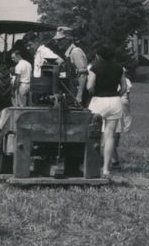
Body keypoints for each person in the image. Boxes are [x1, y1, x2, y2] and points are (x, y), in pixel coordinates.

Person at [87, 46, 127, 178]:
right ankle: (106, 169)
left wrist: (93, 93)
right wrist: (116, 95)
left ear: (98, 56)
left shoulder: (94, 67)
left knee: (93, 134)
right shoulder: (119, 68)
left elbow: (90, 86)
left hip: (98, 101)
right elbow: (124, 87)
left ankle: (92, 165)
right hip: (115, 101)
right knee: (110, 136)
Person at [54, 27, 89, 105]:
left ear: (68, 40)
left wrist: (79, 96)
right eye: (56, 40)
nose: (56, 42)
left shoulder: (75, 52)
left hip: (78, 93)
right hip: (71, 92)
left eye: (59, 40)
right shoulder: (68, 53)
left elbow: (83, 74)